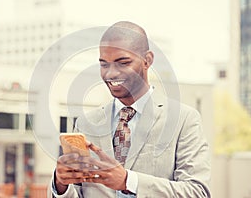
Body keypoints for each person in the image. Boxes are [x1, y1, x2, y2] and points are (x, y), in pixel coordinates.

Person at [48, 21, 211, 198]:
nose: (111, 73)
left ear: (147, 60)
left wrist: (128, 181)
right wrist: (61, 185)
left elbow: (197, 192)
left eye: (123, 62)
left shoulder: (184, 120)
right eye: (104, 64)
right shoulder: (86, 124)